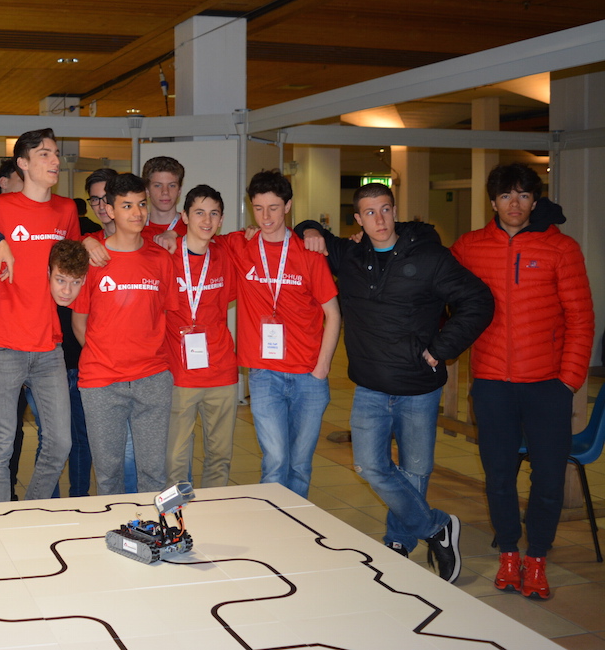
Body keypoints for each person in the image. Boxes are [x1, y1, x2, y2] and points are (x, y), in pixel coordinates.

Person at [297, 183, 494, 583]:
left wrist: (442, 348)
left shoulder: (429, 257)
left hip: (419, 386)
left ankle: (399, 541)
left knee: (415, 470)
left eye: (385, 209)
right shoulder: (350, 255)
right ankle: (437, 526)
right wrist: (310, 228)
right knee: (370, 465)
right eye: (369, 213)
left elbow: (479, 300)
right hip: (371, 386)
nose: (379, 219)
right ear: (358, 219)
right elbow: (304, 228)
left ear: (395, 211)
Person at [452, 163, 595, 600]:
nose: (515, 204)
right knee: (498, 476)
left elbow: (581, 318)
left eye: (524, 195)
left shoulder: (561, 249)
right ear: (493, 202)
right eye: (506, 196)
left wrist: (568, 381)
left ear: (535, 201)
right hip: (492, 383)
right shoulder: (470, 247)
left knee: (548, 478)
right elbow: (433, 282)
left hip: (547, 386)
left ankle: (537, 559)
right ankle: (509, 554)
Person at [217, 170, 340, 499]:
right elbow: (198, 235)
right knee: (275, 460)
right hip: (264, 374)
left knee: (299, 464)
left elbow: (333, 313)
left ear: (287, 206)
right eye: (258, 208)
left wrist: (322, 368)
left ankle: (295, 522)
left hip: (308, 375)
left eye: (273, 207)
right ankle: (271, 521)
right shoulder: (240, 245)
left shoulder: (308, 253)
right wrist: (168, 236)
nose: (266, 217)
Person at [0, 128, 82, 502]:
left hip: (48, 346)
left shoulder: (66, 210)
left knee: (59, 442)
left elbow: (72, 262)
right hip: (2, 345)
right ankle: (0, 519)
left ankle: (31, 509)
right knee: (1, 445)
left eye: (56, 153)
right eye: (44, 154)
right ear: (22, 163)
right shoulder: (0, 208)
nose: (55, 160)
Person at [71, 173, 176, 495]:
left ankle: (154, 525)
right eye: (127, 206)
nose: (137, 213)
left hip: (152, 379)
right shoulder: (93, 259)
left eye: (142, 204)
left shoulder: (161, 259)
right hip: (102, 382)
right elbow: (79, 321)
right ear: (110, 210)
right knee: (108, 474)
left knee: (154, 472)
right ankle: (114, 524)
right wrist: (106, 355)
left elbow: (164, 315)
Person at [164, 184, 239, 490]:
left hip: (222, 371)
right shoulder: (165, 256)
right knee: (175, 460)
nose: (207, 220)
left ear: (221, 219)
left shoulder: (225, 255)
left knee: (220, 457)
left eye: (214, 214)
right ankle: (176, 515)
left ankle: (214, 511)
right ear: (184, 216)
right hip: (180, 375)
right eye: (199, 213)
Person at [48, 239, 93, 496]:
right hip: (45, 370)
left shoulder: (86, 293)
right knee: (51, 439)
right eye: (61, 280)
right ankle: (50, 502)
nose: (67, 290)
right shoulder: (39, 295)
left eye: (76, 282)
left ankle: (80, 497)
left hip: (80, 368)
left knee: (80, 438)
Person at [140, 156, 188, 243]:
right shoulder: (134, 227)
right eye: (158, 185)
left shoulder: (193, 227)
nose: (165, 192)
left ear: (179, 190)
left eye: (172, 185)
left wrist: (179, 238)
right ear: (147, 191)